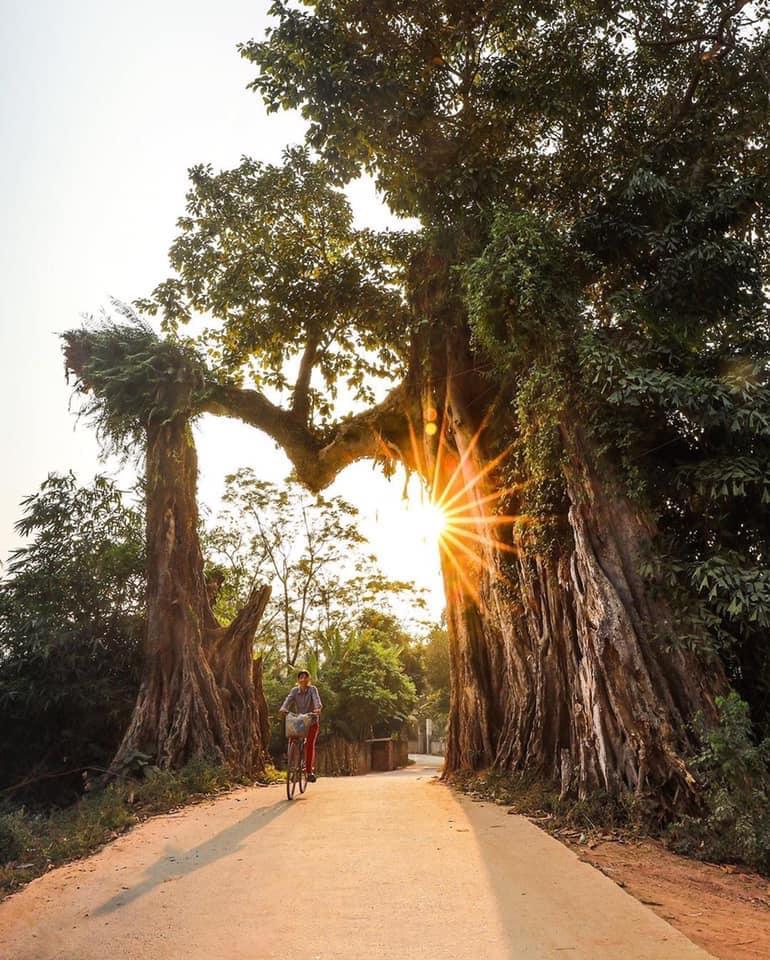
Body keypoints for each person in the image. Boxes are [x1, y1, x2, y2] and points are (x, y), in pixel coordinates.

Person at [279, 669, 322, 782]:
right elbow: (288, 700)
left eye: (305, 677)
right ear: (298, 680)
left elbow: (317, 700)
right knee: (293, 740)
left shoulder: (312, 689)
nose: (303, 679)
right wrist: (284, 708)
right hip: (300, 722)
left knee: (309, 745)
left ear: (309, 679)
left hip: (312, 720)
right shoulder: (294, 691)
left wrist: (317, 709)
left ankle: (309, 772)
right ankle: (293, 767)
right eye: (301, 677)